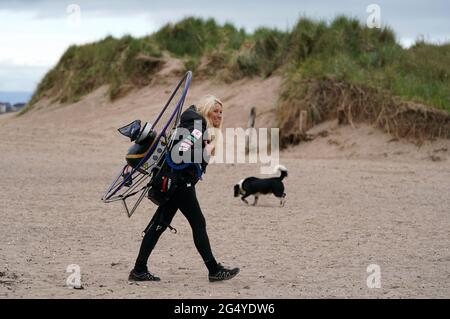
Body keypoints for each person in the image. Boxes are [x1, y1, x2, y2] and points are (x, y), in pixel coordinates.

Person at [129, 95, 240, 282]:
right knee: (198, 223)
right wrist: (205, 149)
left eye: (221, 112)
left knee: (158, 225)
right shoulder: (197, 127)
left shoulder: (193, 124)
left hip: (173, 181)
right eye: (215, 111)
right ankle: (213, 270)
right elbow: (181, 151)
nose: (219, 115)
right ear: (206, 110)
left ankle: (139, 269)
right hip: (180, 183)